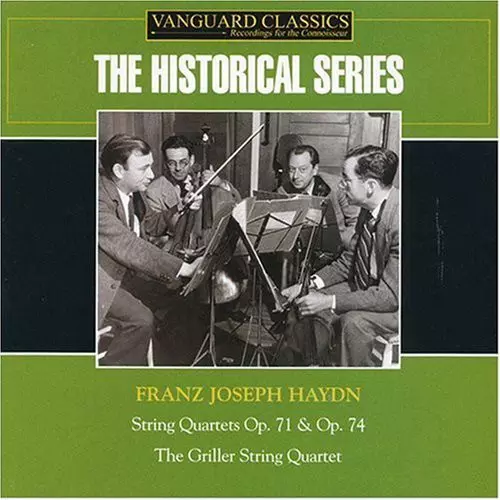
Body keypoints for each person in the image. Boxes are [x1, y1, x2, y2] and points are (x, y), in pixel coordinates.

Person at [282, 145, 399, 367]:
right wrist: (307, 285)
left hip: (397, 302)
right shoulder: (368, 208)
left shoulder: (400, 221)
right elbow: (348, 262)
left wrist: (329, 301)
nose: (341, 184)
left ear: (370, 186)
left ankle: (354, 382)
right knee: (305, 301)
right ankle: (311, 366)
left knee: (353, 323)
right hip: (367, 287)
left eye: (347, 179)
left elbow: (389, 297)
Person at [98, 134, 200, 366]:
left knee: (179, 294)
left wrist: (180, 207)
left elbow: (151, 224)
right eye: (144, 168)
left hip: (124, 275)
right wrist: (183, 268)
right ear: (119, 170)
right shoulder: (97, 201)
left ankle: (165, 359)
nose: (152, 175)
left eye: (151, 166)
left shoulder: (131, 191)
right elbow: (128, 245)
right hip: (100, 282)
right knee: (140, 320)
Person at [144, 135, 240, 251]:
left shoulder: (203, 178)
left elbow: (238, 204)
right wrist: (181, 207)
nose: (178, 168)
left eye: (183, 162)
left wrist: (220, 183)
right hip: (175, 252)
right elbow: (153, 229)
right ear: (165, 163)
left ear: (192, 160)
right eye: (172, 163)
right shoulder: (154, 190)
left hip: (209, 247)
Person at [279, 144, 359, 250]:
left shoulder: (335, 186)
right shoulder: (283, 192)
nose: (295, 176)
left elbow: (355, 221)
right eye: (292, 169)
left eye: (302, 169)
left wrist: (345, 245)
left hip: (336, 249)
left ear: (315, 169)